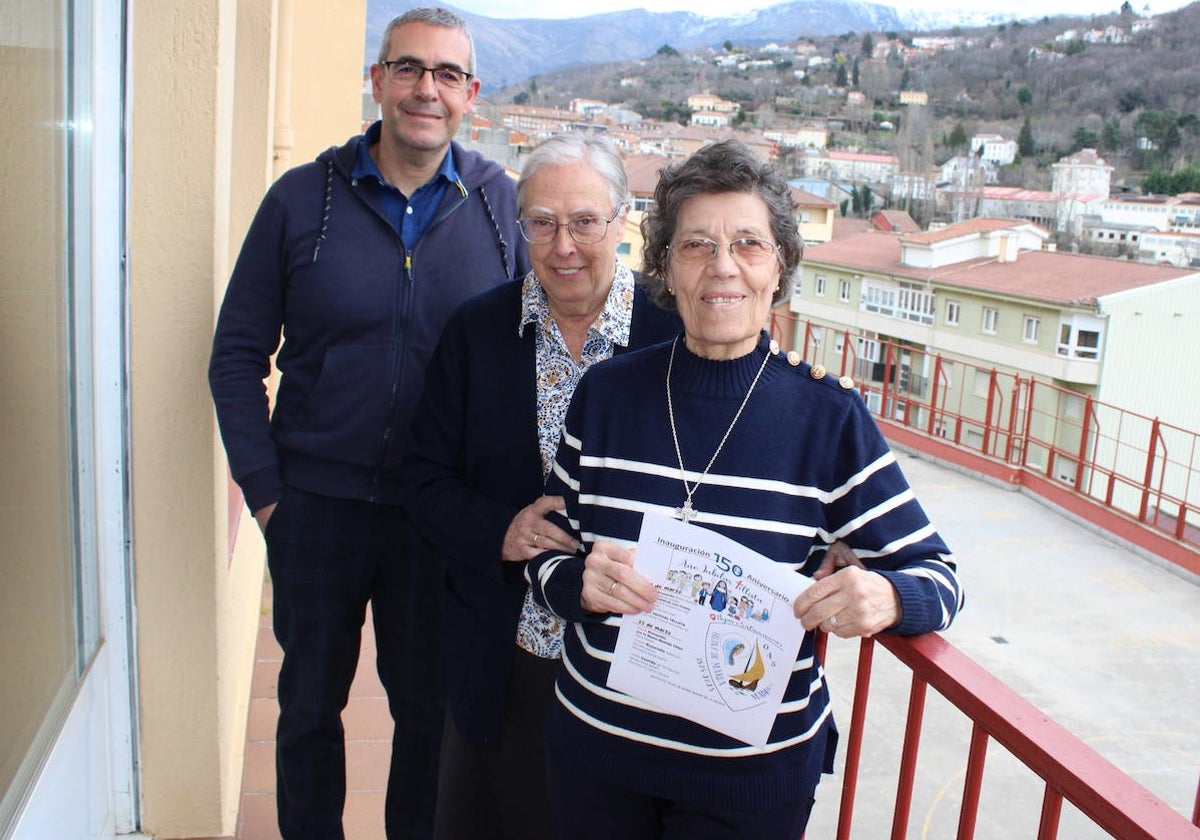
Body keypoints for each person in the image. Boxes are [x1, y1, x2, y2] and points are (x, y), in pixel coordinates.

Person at [525, 138, 964, 840]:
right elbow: (547, 552)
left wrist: (884, 596)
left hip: (748, 782)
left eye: (748, 245)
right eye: (696, 246)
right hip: (596, 755)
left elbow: (938, 578)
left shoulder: (828, 418)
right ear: (666, 266)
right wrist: (574, 582)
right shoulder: (606, 395)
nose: (722, 267)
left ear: (780, 266)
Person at [207, 9, 528, 839]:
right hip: (316, 506)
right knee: (309, 705)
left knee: (428, 715)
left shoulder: (502, 208)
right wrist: (268, 494)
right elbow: (236, 355)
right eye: (409, 69)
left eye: (447, 75)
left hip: (438, 515)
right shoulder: (301, 200)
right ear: (377, 80)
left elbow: (568, 322)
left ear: (471, 96)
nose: (428, 89)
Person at [402, 133, 681, 840]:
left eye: (585, 221)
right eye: (542, 222)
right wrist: (500, 528)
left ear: (623, 223)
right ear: (520, 225)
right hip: (509, 655)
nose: (564, 245)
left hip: (640, 667)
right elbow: (423, 479)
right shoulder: (474, 332)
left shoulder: (676, 336)